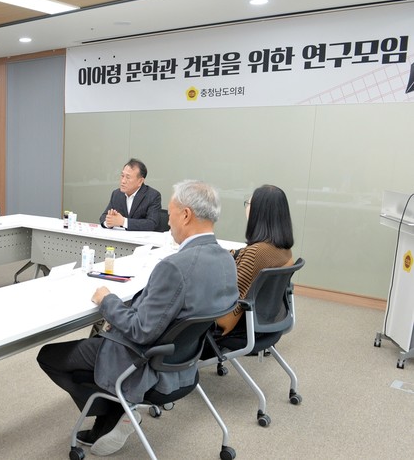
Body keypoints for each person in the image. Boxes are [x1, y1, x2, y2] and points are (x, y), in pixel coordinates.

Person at [38, 180, 238, 457]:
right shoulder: (227, 260)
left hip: (143, 360)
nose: (168, 222)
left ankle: (116, 409)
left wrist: (107, 300)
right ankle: (114, 414)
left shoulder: (175, 267)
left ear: (186, 215)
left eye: (170, 213)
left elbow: (141, 330)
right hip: (183, 362)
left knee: (49, 355)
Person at [215, 184, 294, 337]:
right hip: (262, 320)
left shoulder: (256, 253)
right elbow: (242, 254)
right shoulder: (282, 249)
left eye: (249, 203)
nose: (247, 207)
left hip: (237, 326)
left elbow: (229, 307)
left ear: (259, 211)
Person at [99, 158, 162, 231]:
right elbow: (104, 216)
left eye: (128, 177)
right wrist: (109, 222)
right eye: (122, 176)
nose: (123, 181)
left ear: (140, 181)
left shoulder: (152, 196)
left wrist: (123, 222)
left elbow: (152, 223)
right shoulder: (117, 194)